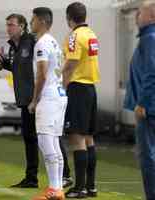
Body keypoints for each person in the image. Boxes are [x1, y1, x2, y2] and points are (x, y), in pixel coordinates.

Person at [0, 13, 39, 188]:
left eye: (11, 25)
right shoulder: (13, 47)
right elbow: (3, 66)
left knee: (49, 138)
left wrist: (37, 97)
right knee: (29, 138)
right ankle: (31, 178)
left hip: (38, 98)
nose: (8, 28)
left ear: (22, 26)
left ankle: (65, 175)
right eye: (7, 25)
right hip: (24, 99)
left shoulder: (33, 42)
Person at [62, 2, 100, 198]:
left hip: (77, 88)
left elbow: (72, 62)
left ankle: (80, 188)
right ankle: (91, 186)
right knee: (88, 138)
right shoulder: (91, 34)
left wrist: (62, 83)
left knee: (76, 138)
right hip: (91, 88)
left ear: (69, 18)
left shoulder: (74, 36)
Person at [28, 7, 67, 200]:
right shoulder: (54, 42)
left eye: (33, 19)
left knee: (45, 140)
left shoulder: (42, 43)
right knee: (54, 142)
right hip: (59, 94)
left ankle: (53, 189)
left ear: (42, 21)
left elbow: (42, 74)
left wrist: (35, 100)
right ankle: (57, 188)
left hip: (49, 96)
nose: (30, 22)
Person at [124, 1, 155, 199]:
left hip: (149, 108)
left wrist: (142, 102)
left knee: (148, 157)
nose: (137, 16)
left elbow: (151, 73)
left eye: (140, 12)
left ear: (151, 16)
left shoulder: (149, 38)